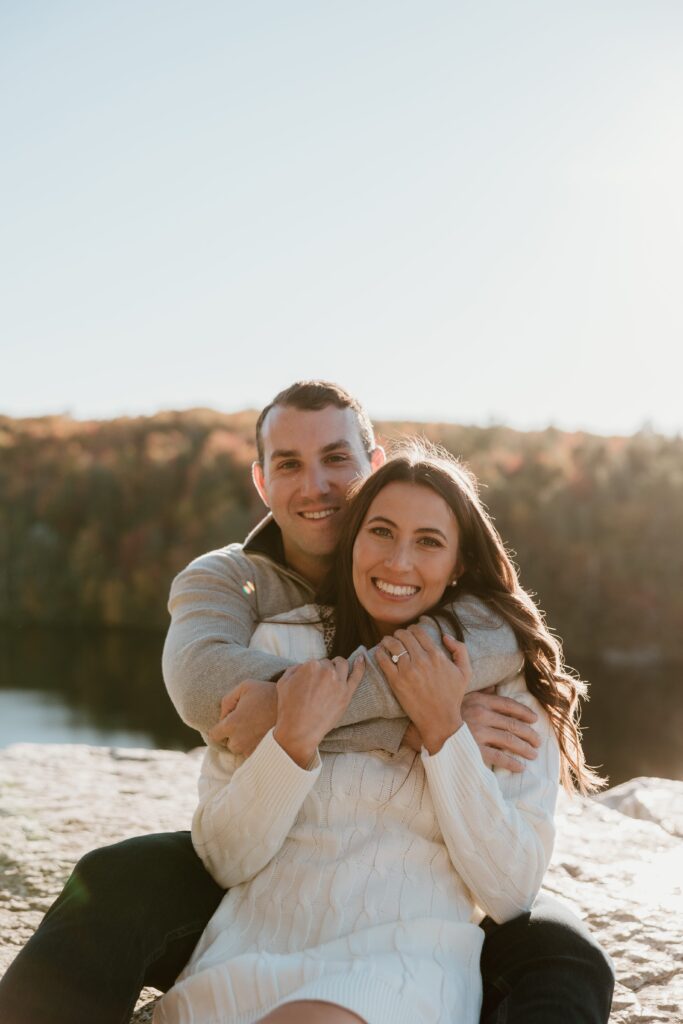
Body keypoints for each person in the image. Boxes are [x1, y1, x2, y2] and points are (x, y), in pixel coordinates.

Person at [0, 382, 614, 1024]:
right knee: (113, 880)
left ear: (372, 467)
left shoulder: (477, 627)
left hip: (410, 932)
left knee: (564, 952)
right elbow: (206, 689)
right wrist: (386, 723)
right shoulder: (233, 583)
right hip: (265, 906)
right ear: (262, 482)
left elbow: (502, 632)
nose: (316, 485)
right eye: (289, 464)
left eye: (336, 459)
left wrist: (431, 721)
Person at [154, 441, 595, 1024]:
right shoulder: (281, 652)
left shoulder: (505, 692)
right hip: (251, 950)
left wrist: (443, 732)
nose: (399, 562)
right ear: (351, 541)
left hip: (402, 965)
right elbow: (223, 861)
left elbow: (511, 894)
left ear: (459, 563)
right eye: (381, 532)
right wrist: (292, 743)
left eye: (429, 542)